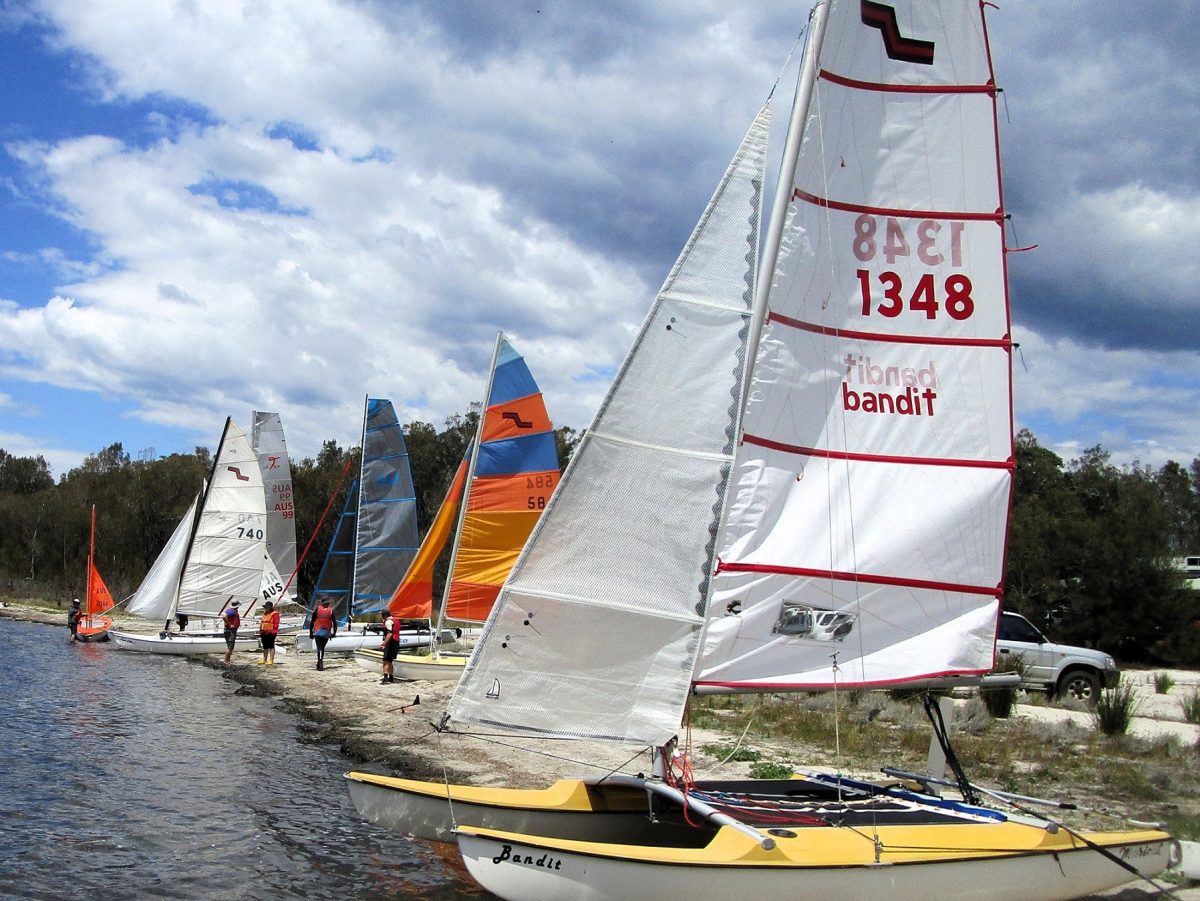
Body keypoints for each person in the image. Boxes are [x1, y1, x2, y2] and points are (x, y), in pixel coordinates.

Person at [309, 598, 336, 671]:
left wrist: (310, 633)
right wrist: (334, 633)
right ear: (328, 603)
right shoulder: (331, 611)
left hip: (317, 632)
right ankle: (320, 661)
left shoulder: (317, 610)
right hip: (326, 632)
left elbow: (312, 622)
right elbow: (335, 623)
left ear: (322, 603)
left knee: (319, 647)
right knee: (322, 647)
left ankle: (319, 661)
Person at [380, 613, 401, 684]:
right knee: (390, 661)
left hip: (390, 643)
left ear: (384, 615)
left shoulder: (388, 621)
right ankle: (391, 677)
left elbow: (389, 634)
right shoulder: (396, 620)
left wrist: (384, 643)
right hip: (396, 642)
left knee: (386, 660)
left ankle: (385, 679)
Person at [258, 601, 280, 666]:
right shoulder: (265, 613)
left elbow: (276, 624)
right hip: (264, 632)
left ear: (270, 607)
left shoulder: (275, 614)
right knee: (265, 647)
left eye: (267, 607)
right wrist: (260, 630)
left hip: (271, 633)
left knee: (271, 646)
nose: (266, 608)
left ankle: (271, 660)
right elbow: (262, 622)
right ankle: (264, 659)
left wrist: (273, 631)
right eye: (265, 607)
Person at [222, 600, 241, 666]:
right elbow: (224, 617)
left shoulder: (232, 611)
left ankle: (228, 661)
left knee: (230, 647)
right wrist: (230, 624)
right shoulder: (231, 611)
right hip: (230, 631)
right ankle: (226, 662)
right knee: (230, 648)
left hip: (230, 631)